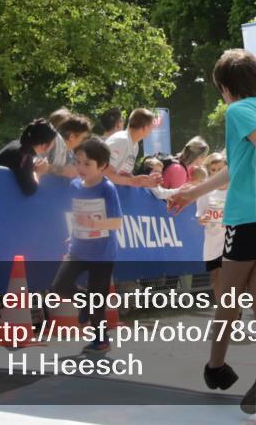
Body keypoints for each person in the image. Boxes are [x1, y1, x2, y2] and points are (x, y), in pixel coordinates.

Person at [167, 49, 256, 415]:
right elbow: (236, 166)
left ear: (223, 87)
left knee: (229, 296)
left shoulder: (237, 110)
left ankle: (215, 367)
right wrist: (192, 193)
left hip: (251, 214)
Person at [50, 137, 123, 354]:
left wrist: (94, 223)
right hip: (79, 249)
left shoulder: (107, 189)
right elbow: (77, 213)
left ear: (102, 166)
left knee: (97, 301)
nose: (80, 168)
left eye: (87, 164)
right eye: (78, 162)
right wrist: (74, 234)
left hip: (102, 253)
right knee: (60, 285)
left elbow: (117, 222)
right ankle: (84, 302)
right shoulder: (74, 186)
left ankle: (101, 340)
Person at [0, 119, 57, 196]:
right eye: (53, 143)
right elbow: (29, 189)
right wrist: (38, 173)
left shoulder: (18, 145)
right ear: (45, 145)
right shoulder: (24, 155)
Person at [196, 153, 228, 302]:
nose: (216, 173)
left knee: (230, 278)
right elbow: (200, 216)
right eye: (213, 170)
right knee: (216, 277)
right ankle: (222, 309)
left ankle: (234, 311)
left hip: (232, 240)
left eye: (220, 169)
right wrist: (202, 219)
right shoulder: (206, 190)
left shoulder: (236, 189)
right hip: (212, 240)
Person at [104, 108, 161, 188]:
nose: (152, 131)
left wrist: (143, 181)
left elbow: (123, 174)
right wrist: (132, 181)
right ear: (144, 127)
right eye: (151, 127)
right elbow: (106, 174)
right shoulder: (121, 141)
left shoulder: (134, 145)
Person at [47, 114, 93, 178]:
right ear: (71, 137)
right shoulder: (53, 142)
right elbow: (35, 165)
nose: (85, 142)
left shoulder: (70, 152)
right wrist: (63, 170)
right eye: (84, 138)